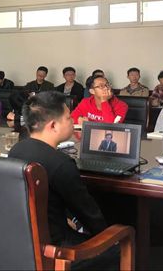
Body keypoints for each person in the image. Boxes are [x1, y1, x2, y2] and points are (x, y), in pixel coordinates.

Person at [8, 91, 118, 270]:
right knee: (117, 247)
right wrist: (110, 238)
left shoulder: (17, 150)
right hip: (56, 249)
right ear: (53, 125)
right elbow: (88, 213)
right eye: (68, 118)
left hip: (24, 242)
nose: (73, 121)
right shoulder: (61, 163)